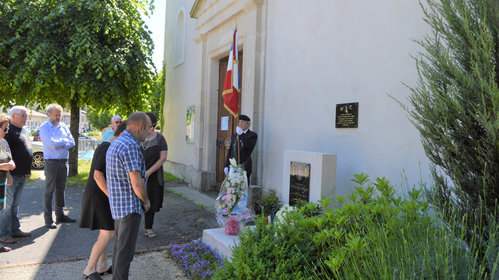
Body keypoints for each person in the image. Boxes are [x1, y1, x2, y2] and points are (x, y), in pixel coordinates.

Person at [79, 121, 127, 280]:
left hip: (102, 195)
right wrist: (112, 197)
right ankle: (89, 268)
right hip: (99, 195)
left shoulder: (109, 146)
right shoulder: (106, 147)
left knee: (105, 231)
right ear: (121, 134)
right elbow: (97, 176)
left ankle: (102, 266)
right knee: (108, 233)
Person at [106, 112, 151, 280]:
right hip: (129, 208)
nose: (149, 133)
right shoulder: (130, 146)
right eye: (148, 129)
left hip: (118, 207)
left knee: (119, 251)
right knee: (124, 256)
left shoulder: (117, 142)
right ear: (140, 127)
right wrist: (146, 201)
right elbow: (136, 182)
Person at [39, 103, 76, 229]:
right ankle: (48, 219)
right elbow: (51, 144)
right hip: (51, 162)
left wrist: (60, 143)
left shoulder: (64, 126)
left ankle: (60, 215)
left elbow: (72, 142)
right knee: (49, 190)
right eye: (56, 115)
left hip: (63, 161)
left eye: (59, 115)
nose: (58, 117)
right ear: (48, 114)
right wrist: (63, 142)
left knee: (61, 189)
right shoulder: (44, 128)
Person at [3, 106, 33, 243]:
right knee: (7, 206)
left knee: (15, 205)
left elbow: (27, 150)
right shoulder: (7, 132)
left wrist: (28, 170)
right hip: (11, 176)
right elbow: (4, 156)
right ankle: (4, 234)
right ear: (13, 115)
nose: (25, 118)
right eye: (23, 115)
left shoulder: (23, 131)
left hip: (22, 174)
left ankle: (15, 230)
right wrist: (8, 173)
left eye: (26, 115)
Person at [141, 112, 167, 238]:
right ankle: (130, 228)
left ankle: (148, 227)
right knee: (135, 202)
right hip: (138, 174)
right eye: (147, 126)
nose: (150, 130)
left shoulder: (160, 138)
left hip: (154, 177)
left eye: (152, 126)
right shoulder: (137, 138)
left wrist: (149, 172)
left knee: (151, 202)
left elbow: (162, 158)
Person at [224, 114, 258, 185]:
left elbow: (249, 147)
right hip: (233, 167)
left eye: (242, 122)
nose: (240, 124)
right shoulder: (235, 135)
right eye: (239, 122)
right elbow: (230, 151)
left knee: (242, 191)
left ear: (248, 124)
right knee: (232, 190)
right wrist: (226, 165)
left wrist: (242, 135)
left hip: (244, 167)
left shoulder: (252, 135)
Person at [0, 113, 16, 252]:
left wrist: (11, 165)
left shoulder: (3, 142)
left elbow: (8, 158)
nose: (7, 131)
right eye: (5, 128)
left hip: (2, 183)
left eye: (8, 128)